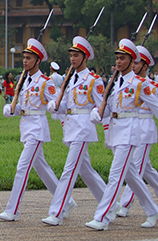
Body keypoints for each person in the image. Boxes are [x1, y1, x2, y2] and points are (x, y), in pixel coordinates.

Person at [86, 39, 158, 230]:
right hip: (115, 132)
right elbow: (109, 108)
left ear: (131, 60)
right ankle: (152, 209)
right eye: (117, 58)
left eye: (123, 58)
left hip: (130, 133)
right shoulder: (115, 82)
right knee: (131, 175)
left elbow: (157, 107)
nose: (119, 62)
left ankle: (102, 217)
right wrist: (98, 114)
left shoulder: (140, 84)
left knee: (115, 175)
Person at [0, 38, 74, 222]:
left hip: (37, 128)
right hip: (26, 127)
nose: (25, 61)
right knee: (43, 169)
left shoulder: (45, 82)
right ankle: (66, 200)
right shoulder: (23, 80)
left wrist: (66, 124)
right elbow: (19, 107)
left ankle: (12, 210)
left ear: (38, 61)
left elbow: (57, 104)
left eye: (29, 58)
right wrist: (10, 109)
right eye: (24, 57)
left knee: (22, 168)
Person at [42, 36, 106, 226]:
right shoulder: (69, 79)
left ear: (85, 58)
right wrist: (55, 106)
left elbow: (101, 105)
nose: (72, 59)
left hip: (83, 128)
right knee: (87, 171)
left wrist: (98, 115)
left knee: (68, 171)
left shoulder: (93, 80)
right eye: (71, 55)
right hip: (71, 128)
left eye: (76, 55)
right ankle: (110, 204)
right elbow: (66, 106)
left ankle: (57, 212)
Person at [116, 45, 158, 217]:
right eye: (132, 62)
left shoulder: (153, 86)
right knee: (146, 169)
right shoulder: (127, 83)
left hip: (145, 128)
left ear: (145, 65)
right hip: (131, 127)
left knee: (135, 167)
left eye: (137, 62)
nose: (133, 65)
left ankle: (125, 205)